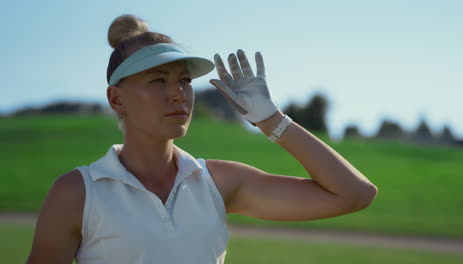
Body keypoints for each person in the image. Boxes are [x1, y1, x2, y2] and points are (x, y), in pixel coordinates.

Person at [26, 14, 378, 264]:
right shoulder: (77, 193)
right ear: (117, 100)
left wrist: (272, 120)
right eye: (157, 81)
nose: (178, 94)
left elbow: (355, 194)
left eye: (184, 81)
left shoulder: (218, 182)